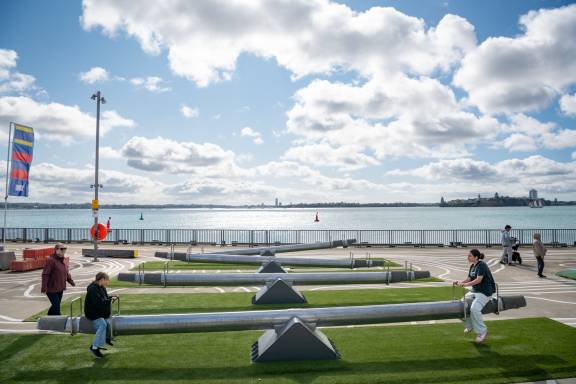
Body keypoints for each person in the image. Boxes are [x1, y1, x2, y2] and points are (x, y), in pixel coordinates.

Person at [453, 249, 496, 344]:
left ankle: (482, 331)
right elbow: (469, 278)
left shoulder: (482, 265)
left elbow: (478, 280)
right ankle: (469, 325)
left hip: (484, 292)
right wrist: (460, 282)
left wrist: (465, 285)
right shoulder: (472, 266)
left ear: (476, 257)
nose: (468, 257)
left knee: (474, 309)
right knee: (460, 306)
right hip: (475, 291)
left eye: (470, 256)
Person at [84, 272, 117, 358]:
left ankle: (106, 339)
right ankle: (94, 348)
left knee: (107, 322)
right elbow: (98, 303)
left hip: (98, 312)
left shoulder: (101, 287)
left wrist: (111, 298)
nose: (108, 282)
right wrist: (109, 300)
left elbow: (104, 298)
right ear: (102, 279)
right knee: (102, 324)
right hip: (92, 313)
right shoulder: (92, 289)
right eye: (107, 280)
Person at [41, 243, 75, 315]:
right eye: (61, 249)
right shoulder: (51, 260)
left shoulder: (63, 260)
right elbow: (45, 274)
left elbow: (66, 273)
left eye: (64, 249)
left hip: (60, 288)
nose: (63, 251)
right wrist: (44, 287)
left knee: (56, 306)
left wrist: (71, 282)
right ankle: (58, 320)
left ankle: (48, 318)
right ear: (56, 250)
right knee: (56, 307)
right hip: (51, 289)